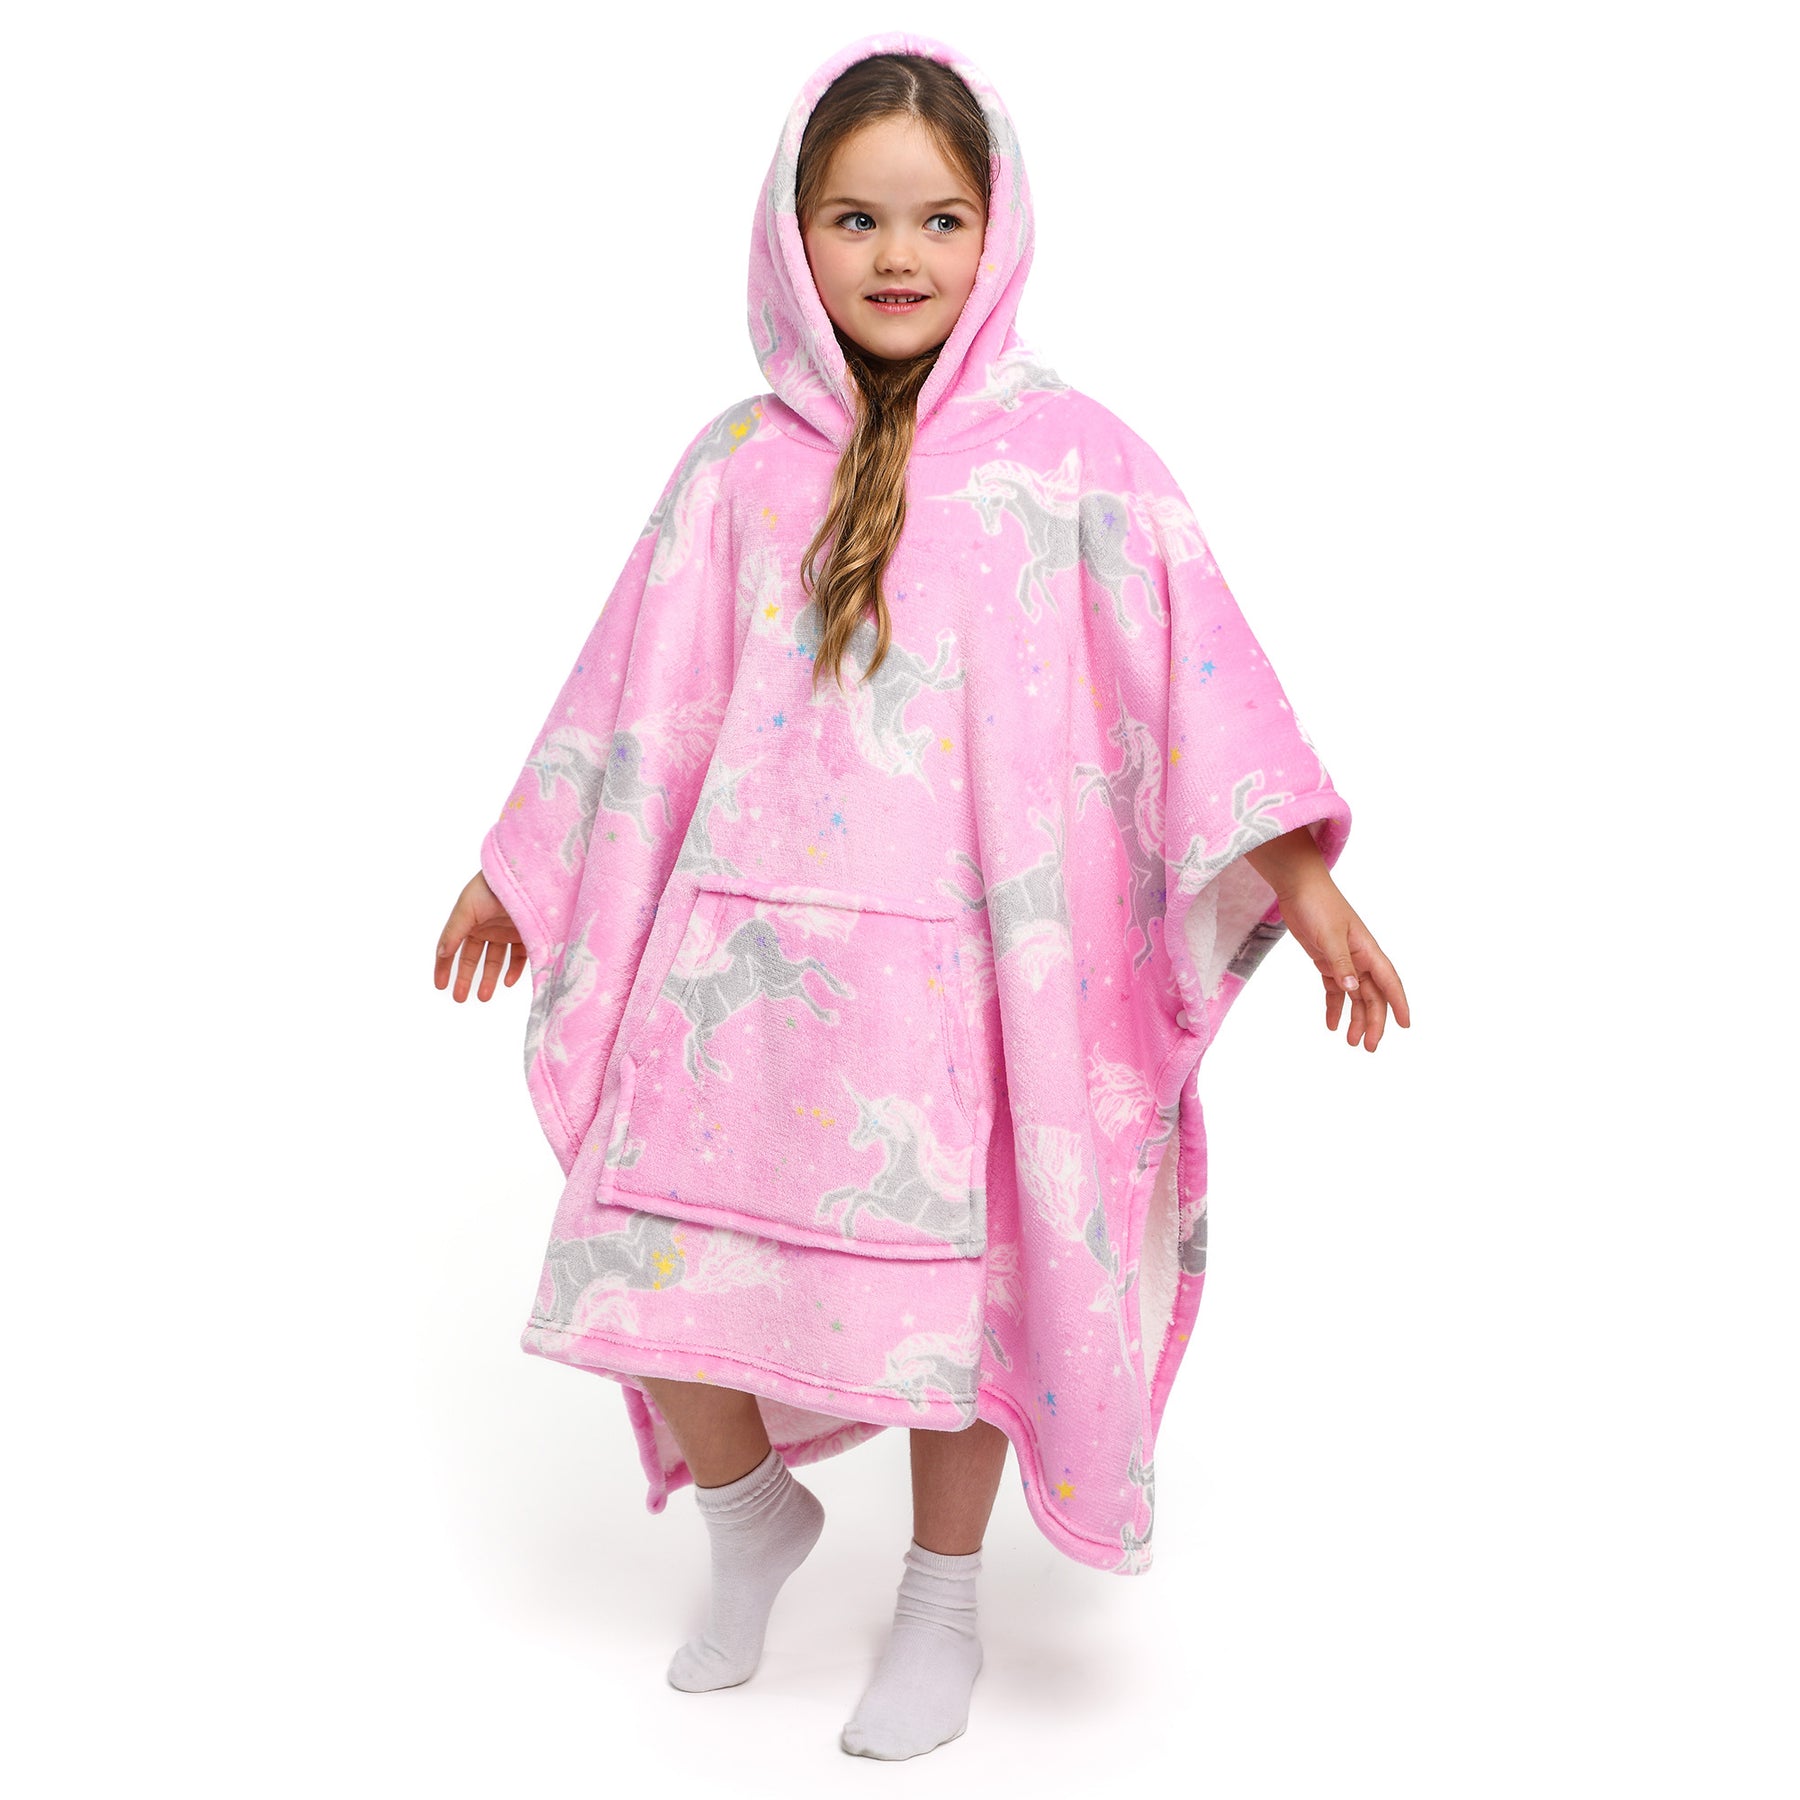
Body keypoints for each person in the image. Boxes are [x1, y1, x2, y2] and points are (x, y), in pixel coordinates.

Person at [433, 30, 1407, 1762]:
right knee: (644, 1254)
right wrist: (524, 863)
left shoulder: (1074, 465)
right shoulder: (735, 466)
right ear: (790, 233)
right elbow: (633, 695)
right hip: (741, 976)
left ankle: (941, 1603)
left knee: (963, 1307)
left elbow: (1191, 683)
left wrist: (1303, 882)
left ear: (997, 230)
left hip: (965, 988)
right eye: (858, 218)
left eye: (941, 219)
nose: (900, 256)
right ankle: (749, 1519)